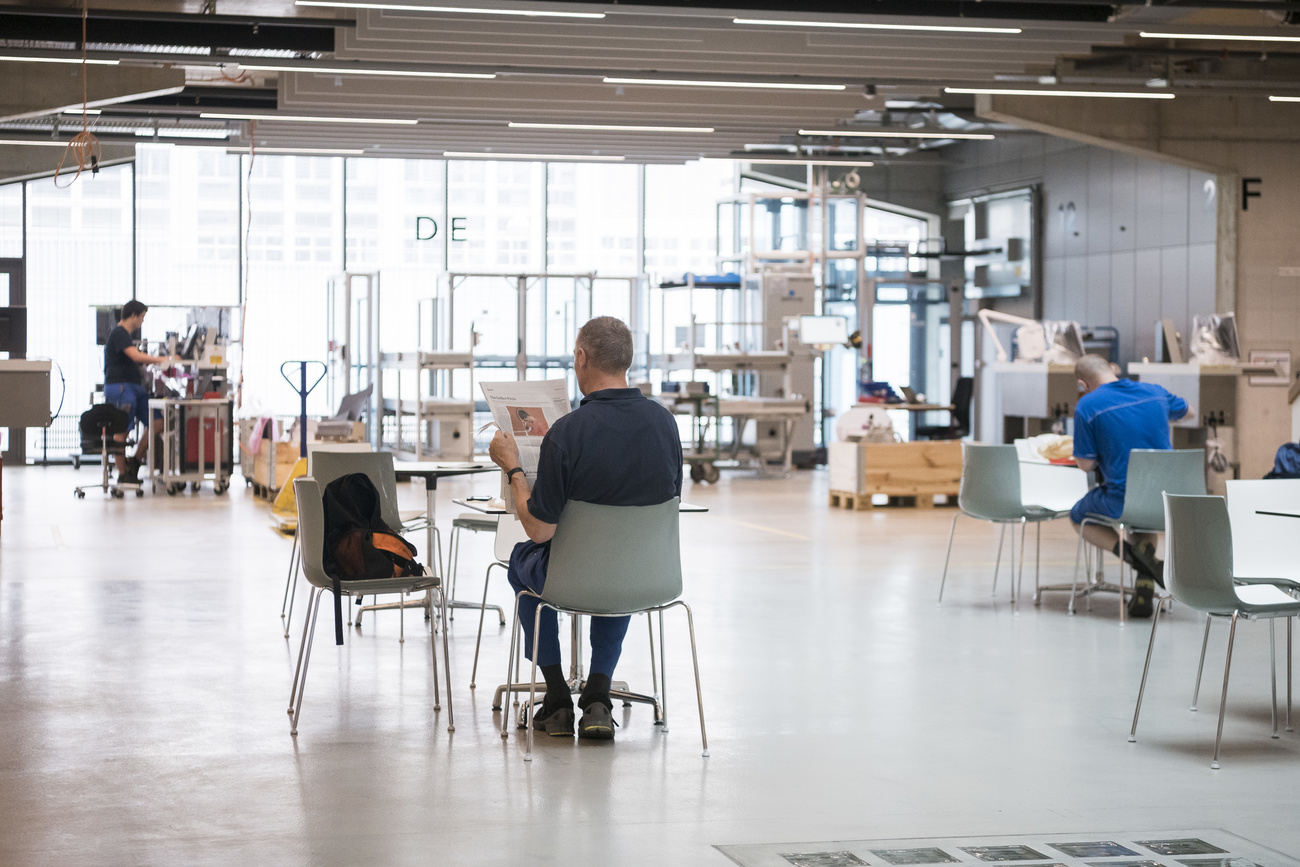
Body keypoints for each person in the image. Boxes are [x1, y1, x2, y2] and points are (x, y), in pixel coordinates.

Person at [488, 316, 683, 740]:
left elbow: (539, 531)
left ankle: (557, 696)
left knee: (522, 560)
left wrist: (514, 469)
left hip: (571, 580)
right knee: (619, 561)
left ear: (581, 357)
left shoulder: (568, 433)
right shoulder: (665, 425)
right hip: (645, 578)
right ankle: (598, 695)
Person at [1070, 354, 1194, 617]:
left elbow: (1085, 464)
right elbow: (1189, 412)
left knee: (1078, 515)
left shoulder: (1087, 406)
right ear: (1113, 369)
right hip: (1167, 502)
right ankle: (1144, 576)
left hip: (1122, 501)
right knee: (1143, 518)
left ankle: (1133, 556)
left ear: (1083, 384)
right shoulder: (1155, 392)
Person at [103, 300, 175, 483]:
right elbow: (135, 356)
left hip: (134, 387)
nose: (142, 321)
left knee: (158, 423)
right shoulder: (119, 333)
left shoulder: (125, 336)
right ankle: (122, 475)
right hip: (120, 387)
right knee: (122, 429)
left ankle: (134, 463)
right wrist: (162, 359)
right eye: (142, 317)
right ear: (133, 315)